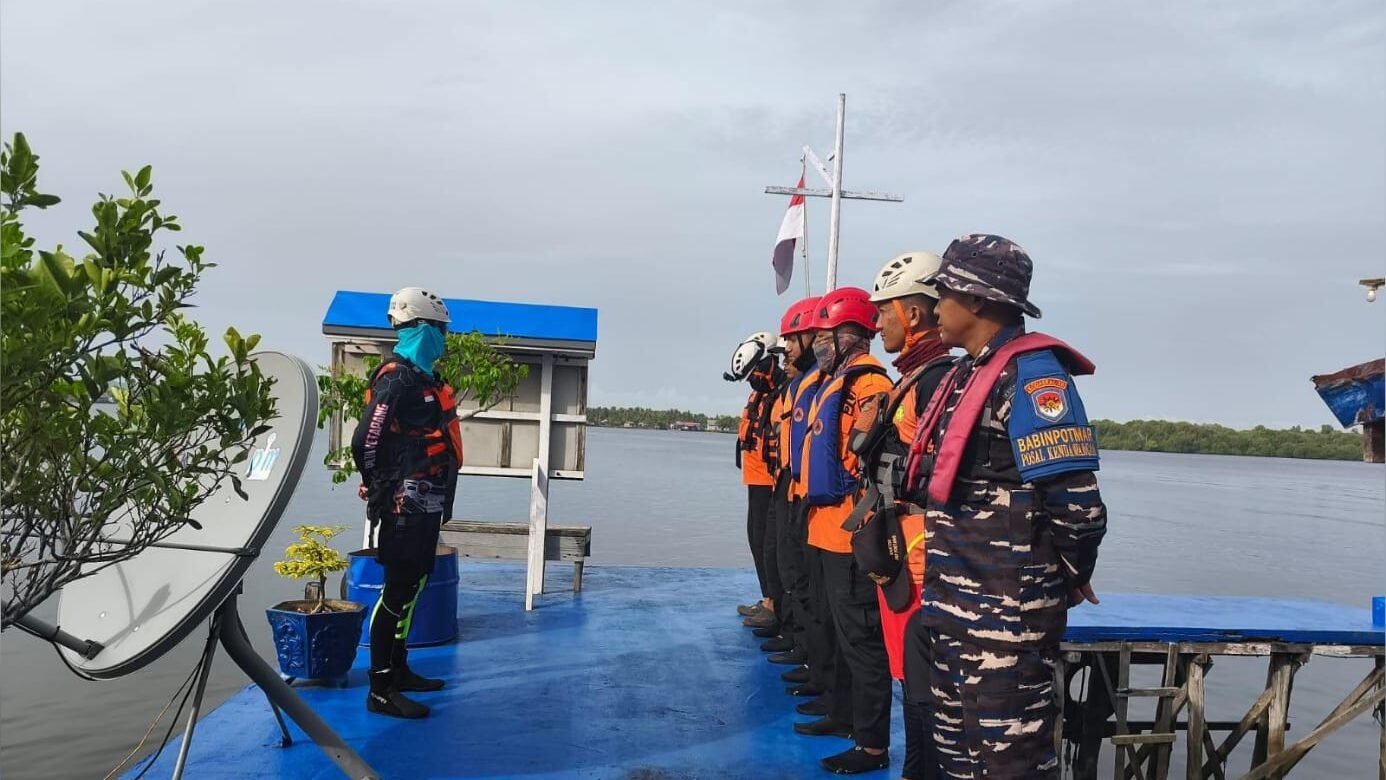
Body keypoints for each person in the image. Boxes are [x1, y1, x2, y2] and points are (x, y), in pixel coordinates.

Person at [903, 234, 1108, 778]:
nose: (935, 308)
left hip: (1006, 628)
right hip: (952, 614)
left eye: (944, 294)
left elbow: (1079, 508)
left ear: (977, 299)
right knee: (956, 763)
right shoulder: (966, 373)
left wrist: (1067, 577)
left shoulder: (1032, 377)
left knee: (1011, 767)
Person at [845, 251, 953, 780]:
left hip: (921, 557)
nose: (877, 322)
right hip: (900, 551)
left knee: (922, 685)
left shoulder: (935, 383)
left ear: (912, 314)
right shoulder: (912, 381)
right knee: (908, 677)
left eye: (883, 311)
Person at [352, 286, 464, 720]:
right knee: (396, 589)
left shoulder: (422, 379)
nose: (443, 338)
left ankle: (399, 669)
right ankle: (380, 689)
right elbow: (366, 439)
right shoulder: (396, 378)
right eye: (440, 329)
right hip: (403, 504)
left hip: (427, 500)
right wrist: (376, 484)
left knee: (415, 582)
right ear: (419, 327)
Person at [797, 286, 896, 775]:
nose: (819, 343)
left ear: (850, 336)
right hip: (823, 527)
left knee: (861, 639)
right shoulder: (832, 380)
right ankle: (841, 713)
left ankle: (872, 744)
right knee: (836, 632)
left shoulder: (870, 383)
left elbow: (869, 452)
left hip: (849, 531)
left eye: (827, 335)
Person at [726, 332, 785, 629]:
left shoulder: (782, 393)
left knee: (767, 543)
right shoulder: (760, 395)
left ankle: (775, 604)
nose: (754, 379)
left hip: (770, 481)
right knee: (756, 537)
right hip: (755, 479)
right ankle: (767, 597)